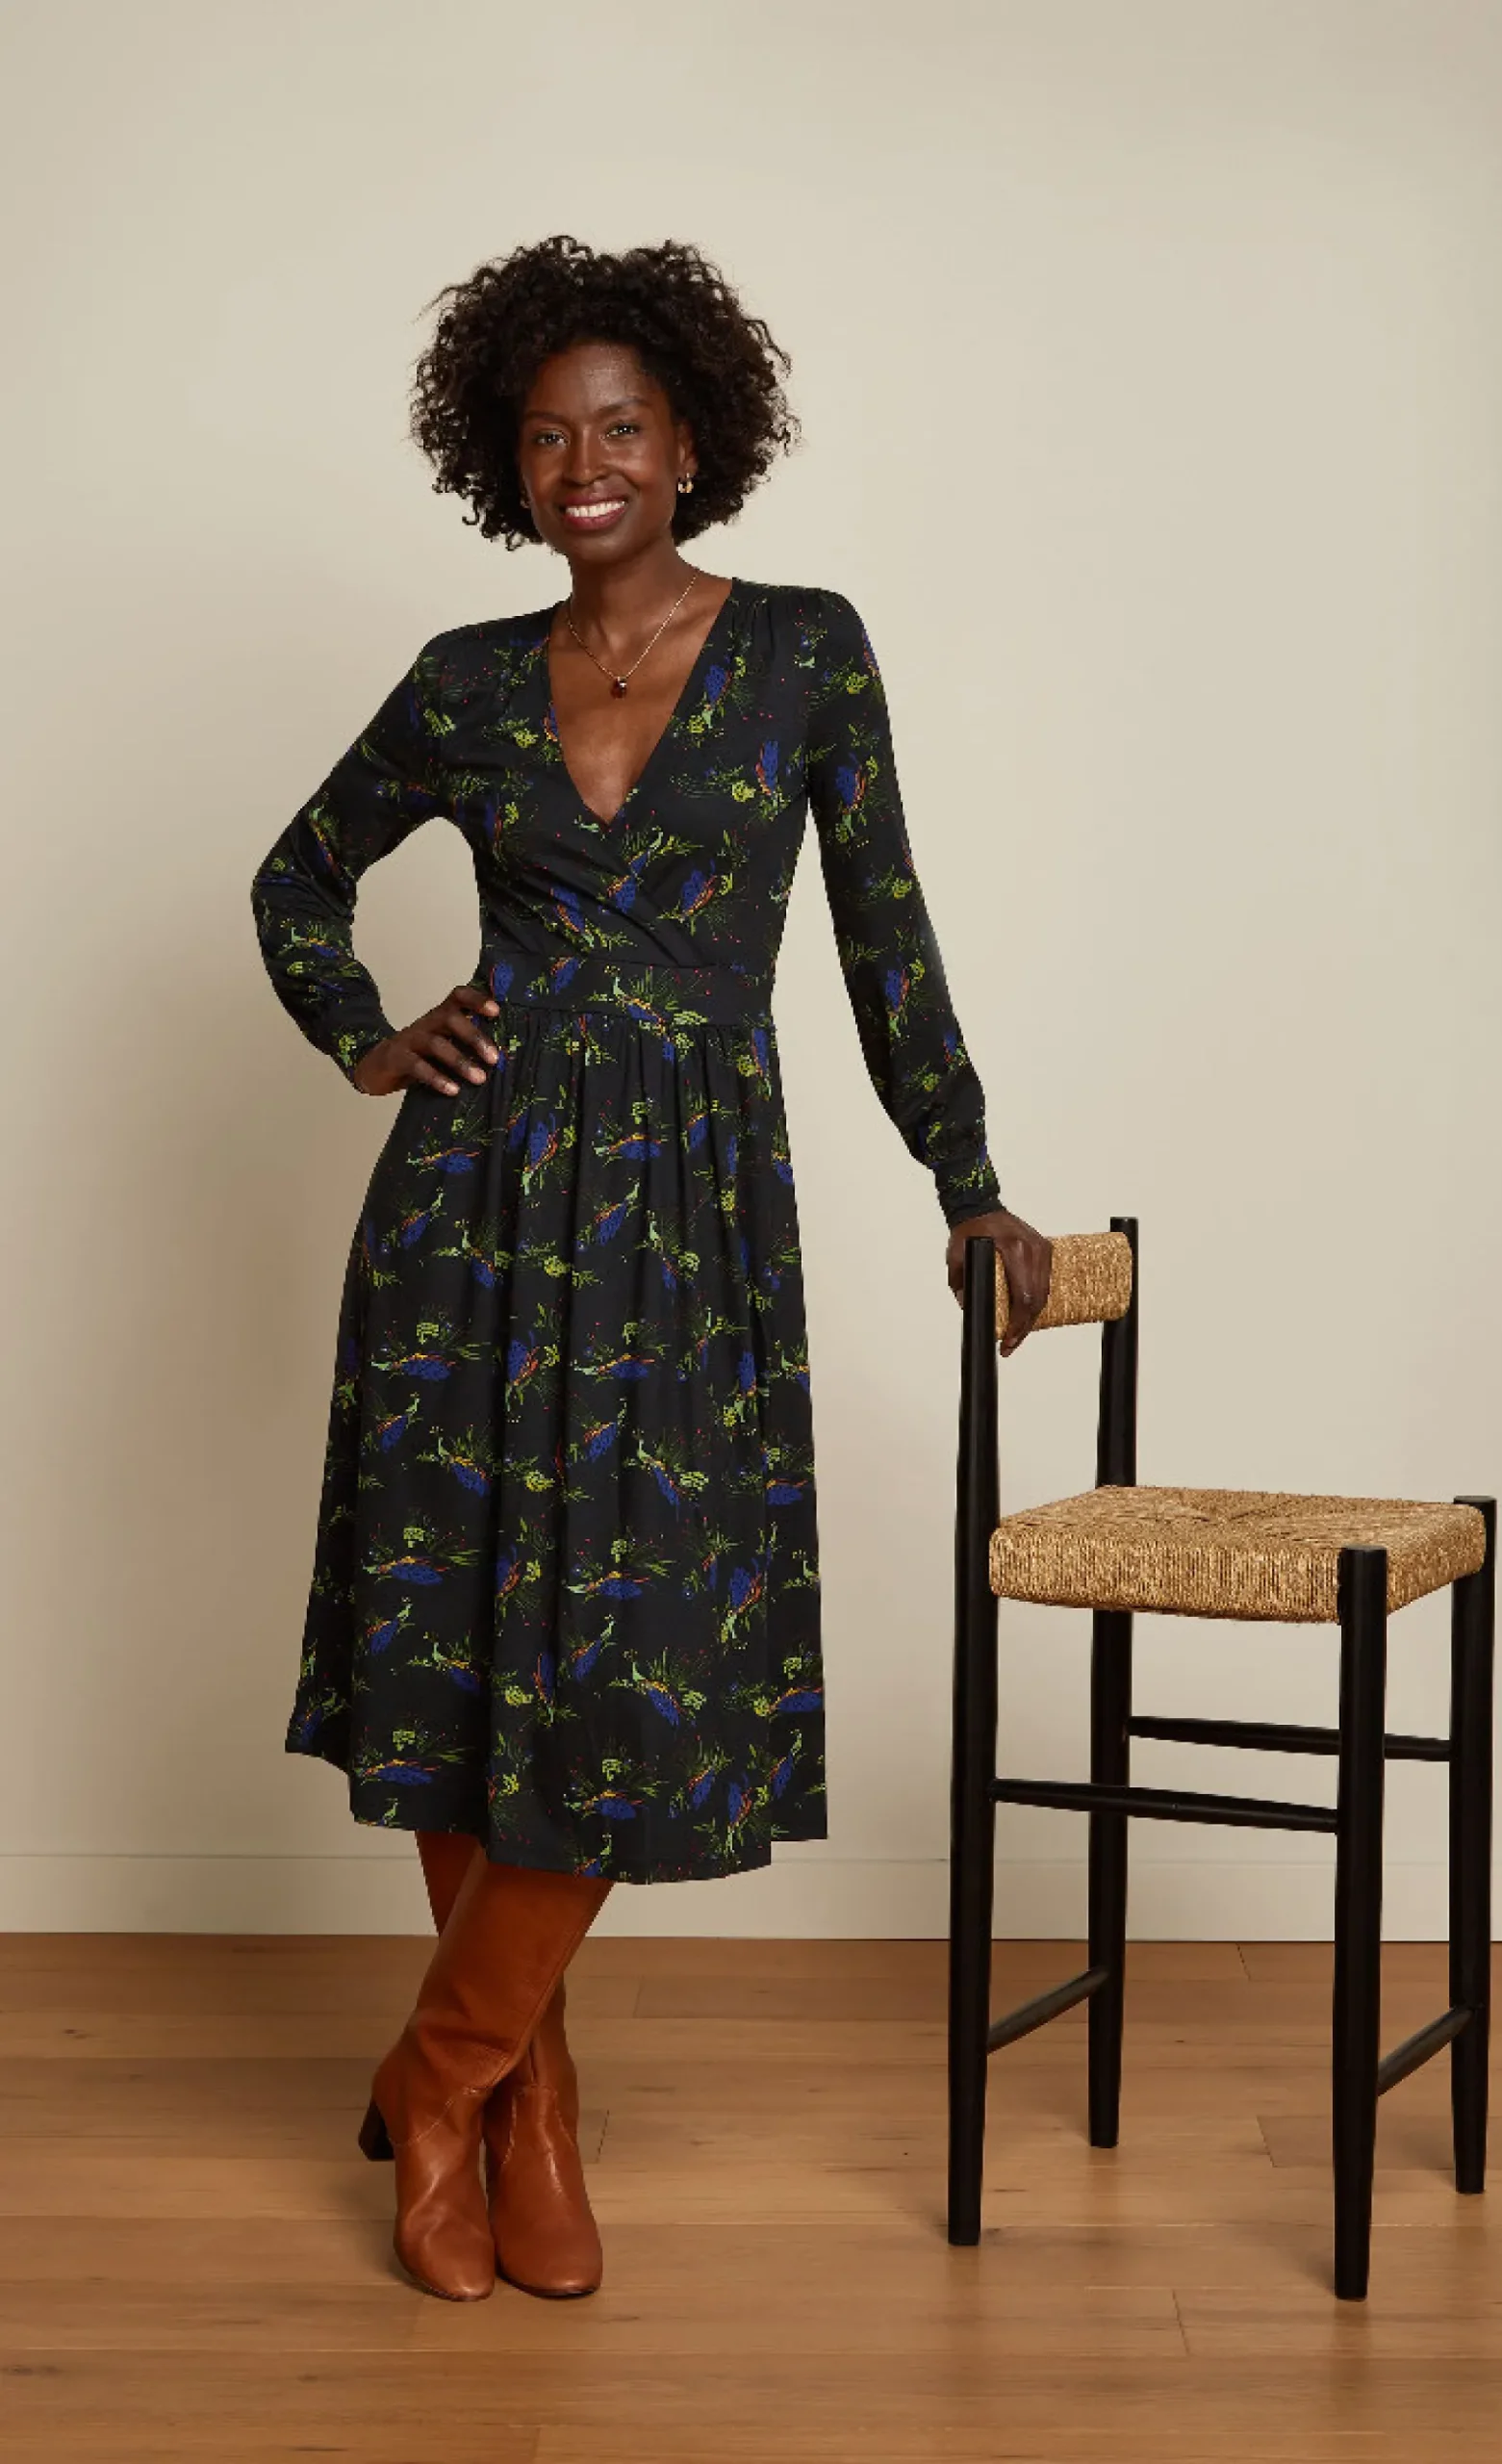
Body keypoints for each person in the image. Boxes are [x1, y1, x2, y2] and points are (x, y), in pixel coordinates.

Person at [251, 235, 1051, 2304]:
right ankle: (528, 2104)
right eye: (544, 436)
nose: (583, 464)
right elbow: (297, 876)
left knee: (627, 1664)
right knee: (462, 1647)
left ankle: (437, 2071)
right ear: (503, 463)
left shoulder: (802, 651)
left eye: (619, 427)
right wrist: (367, 1037)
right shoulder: (460, 678)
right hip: (469, 1210)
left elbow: (882, 935)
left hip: (686, 1220)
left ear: (692, 441)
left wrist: (966, 1173)